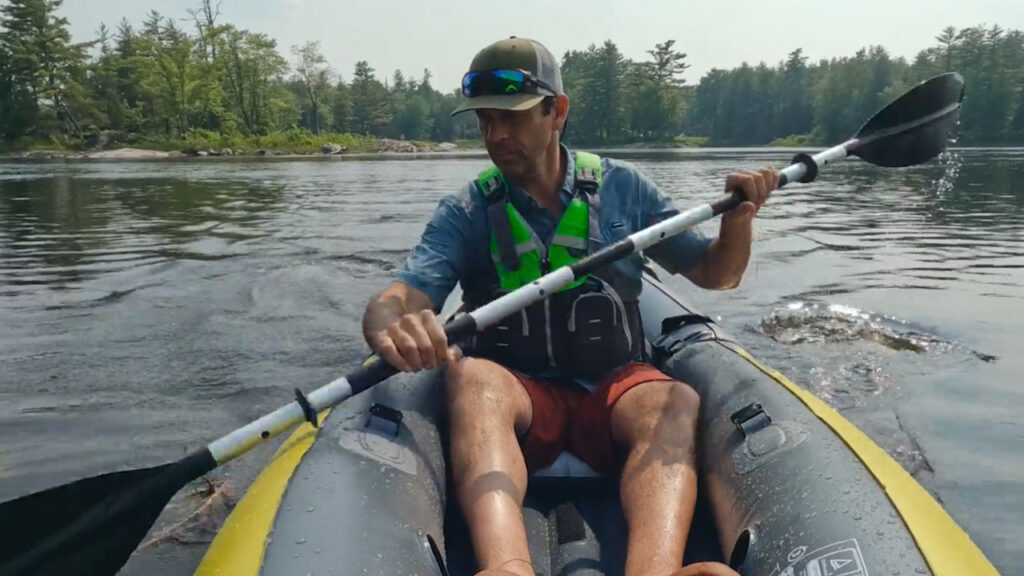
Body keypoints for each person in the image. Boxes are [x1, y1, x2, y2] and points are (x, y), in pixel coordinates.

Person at [361, 36, 778, 576]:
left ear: (556, 111)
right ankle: (507, 567)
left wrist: (738, 221)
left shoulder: (625, 189)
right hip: (519, 396)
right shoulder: (465, 210)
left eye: (511, 118)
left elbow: (716, 274)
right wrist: (390, 326)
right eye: (485, 121)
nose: (495, 135)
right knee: (471, 379)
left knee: (673, 398)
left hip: (615, 388)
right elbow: (398, 298)